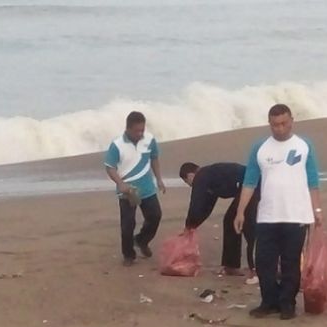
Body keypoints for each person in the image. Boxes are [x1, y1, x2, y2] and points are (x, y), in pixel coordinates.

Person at [234, 103, 323, 320]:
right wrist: (240, 211)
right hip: (268, 215)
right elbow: (249, 182)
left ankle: (287, 303)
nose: (280, 129)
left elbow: (312, 181)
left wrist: (317, 209)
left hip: (296, 214)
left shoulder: (304, 146)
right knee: (264, 261)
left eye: (284, 124)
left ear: (291, 121)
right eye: (275, 125)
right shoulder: (260, 148)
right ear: (269, 124)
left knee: (291, 261)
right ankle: (269, 301)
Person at [179, 162, 260, 283]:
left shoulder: (201, 177)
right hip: (249, 185)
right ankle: (231, 266)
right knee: (230, 221)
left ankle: (256, 269)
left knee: (248, 227)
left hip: (252, 185)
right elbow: (206, 206)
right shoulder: (211, 177)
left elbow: (195, 204)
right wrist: (194, 225)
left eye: (187, 182)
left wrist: (188, 226)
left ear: (190, 176)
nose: (190, 185)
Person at [104, 111, 166, 266]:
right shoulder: (117, 145)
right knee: (127, 224)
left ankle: (141, 240)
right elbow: (110, 167)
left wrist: (159, 179)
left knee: (155, 216)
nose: (140, 133)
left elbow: (154, 158)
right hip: (127, 191)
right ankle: (128, 255)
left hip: (147, 188)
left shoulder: (149, 140)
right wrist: (120, 183)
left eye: (142, 130)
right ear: (128, 129)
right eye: (137, 130)